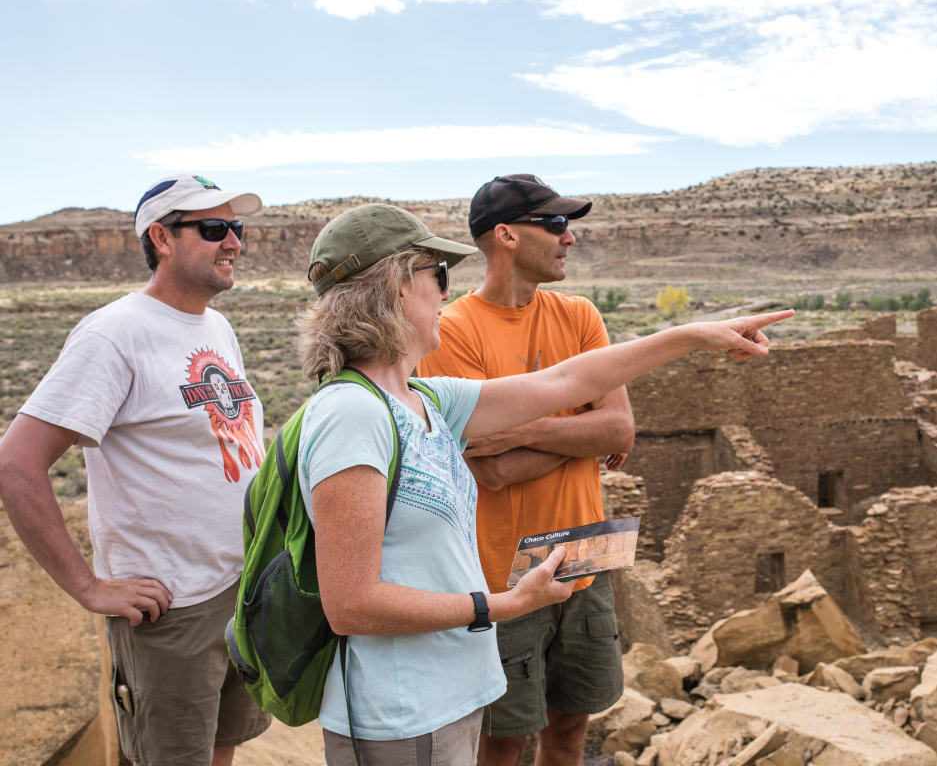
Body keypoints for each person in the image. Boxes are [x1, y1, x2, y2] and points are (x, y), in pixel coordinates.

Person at [296, 202, 791, 766]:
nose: (444, 294)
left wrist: (693, 335)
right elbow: (351, 604)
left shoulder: (429, 401)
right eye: (437, 276)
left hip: (449, 695)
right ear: (393, 291)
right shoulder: (352, 415)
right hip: (400, 713)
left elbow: (569, 379)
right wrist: (500, 605)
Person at [0, 174, 271, 766]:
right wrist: (88, 586)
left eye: (237, 228)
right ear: (162, 238)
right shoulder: (114, 335)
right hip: (172, 606)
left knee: (221, 748)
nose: (234, 243)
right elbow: (16, 463)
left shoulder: (216, 326)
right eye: (213, 228)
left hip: (239, 588)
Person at [418, 174, 633, 766]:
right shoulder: (453, 330)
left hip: (588, 546)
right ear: (507, 235)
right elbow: (491, 471)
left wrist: (529, 429)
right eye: (557, 224)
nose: (570, 239)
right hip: (503, 567)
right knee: (506, 740)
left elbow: (619, 430)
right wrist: (579, 433)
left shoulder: (581, 316)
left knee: (570, 730)